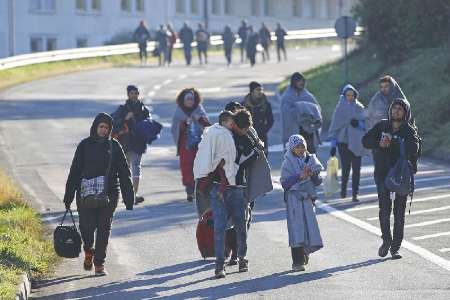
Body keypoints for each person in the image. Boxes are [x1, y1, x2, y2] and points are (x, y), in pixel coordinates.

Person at [63, 113, 134, 276]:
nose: (103, 130)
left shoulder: (114, 146)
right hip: (86, 193)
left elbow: (124, 173)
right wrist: (68, 197)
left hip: (109, 193)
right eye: (101, 127)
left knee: (104, 228)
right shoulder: (84, 145)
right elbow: (74, 172)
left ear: (110, 129)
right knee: (87, 228)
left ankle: (99, 263)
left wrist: (129, 198)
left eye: (106, 128)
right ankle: (88, 250)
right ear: (95, 127)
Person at [194, 110, 250, 279]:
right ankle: (219, 265)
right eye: (231, 122)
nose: (233, 126)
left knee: (240, 226)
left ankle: (241, 258)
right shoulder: (216, 135)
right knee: (220, 228)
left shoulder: (241, 137)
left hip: (236, 187)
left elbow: (248, 158)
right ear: (226, 122)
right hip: (219, 188)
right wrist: (217, 163)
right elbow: (204, 158)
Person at [362, 99, 419, 259]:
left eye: (400, 109)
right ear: (390, 110)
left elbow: (415, 148)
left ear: (405, 112)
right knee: (385, 210)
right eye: (394, 108)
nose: (397, 111)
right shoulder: (382, 125)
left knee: (399, 213)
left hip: (401, 175)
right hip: (382, 174)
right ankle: (386, 240)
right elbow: (365, 140)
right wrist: (379, 142)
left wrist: (394, 142)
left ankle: (395, 248)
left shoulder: (408, 129)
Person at [280, 134, 324, 271]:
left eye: (302, 146)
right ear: (292, 148)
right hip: (294, 199)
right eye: (297, 147)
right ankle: (297, 261)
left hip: (307, 199)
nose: (300, 149)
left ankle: (305, 252)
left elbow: (318, 182)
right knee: (296, 229)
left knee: (309, 227)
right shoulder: (287, 162)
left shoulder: (311, 160)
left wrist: (312, 175)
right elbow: (284, 183)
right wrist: (299, 176)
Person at [328, 84, 368, 202]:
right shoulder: (339, 108)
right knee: (346, 168)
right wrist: (333, 145)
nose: (350, 97)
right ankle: (343, 191)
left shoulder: (359, 108)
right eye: (347, 95)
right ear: (344, 96)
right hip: (343, 142)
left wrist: (359, 124)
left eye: (352, 95)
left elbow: (367, 125)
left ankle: (355, 194)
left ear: (355, 95)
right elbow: (335, 127)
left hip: (357, 142)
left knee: (356, 168)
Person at [112, 85, 150, 205]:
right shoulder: (122, 109)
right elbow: (113, 122)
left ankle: (134, 194)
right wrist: (125, 118)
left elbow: (149, 125)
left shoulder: (144, 109)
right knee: (125, 170)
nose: (134, 95)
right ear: (128, 94)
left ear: (138, 94)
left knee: (136, 167)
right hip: (125, 143)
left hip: (138, 143)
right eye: (132, 93)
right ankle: (126, 194)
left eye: (136, 93)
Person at [171, 88, 210, 202]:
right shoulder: (179, 112)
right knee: (187, 166)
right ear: (183, 100)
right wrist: (183, 124)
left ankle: (199, 188)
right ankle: (189, 189)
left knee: (200, 166)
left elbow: (208, 126)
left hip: (199, 144)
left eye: (191, 99)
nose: (189, 101)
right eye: (187, 99)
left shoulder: (199, 110)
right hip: (185, 145)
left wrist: (200, 119)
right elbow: (174, 128)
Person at [280, 72, 322, 153]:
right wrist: (300, 110)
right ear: (294, 82)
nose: (301, 83)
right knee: (295, 160)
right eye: (298, 81)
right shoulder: (287, 96)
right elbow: (286, 114)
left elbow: (317, 110)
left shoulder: (308, 96)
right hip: (294, 132)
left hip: (308, 132)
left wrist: (309, 116)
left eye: (302, 81)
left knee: (310, 158)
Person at [242, 81, 274, 155]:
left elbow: (270, 120)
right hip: (248, 136)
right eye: (257, 90)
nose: (260, 92)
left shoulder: (266, 104)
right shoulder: (244, 105)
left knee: (263, 157)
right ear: (252, 92)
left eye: (261, 90)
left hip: (262, 136)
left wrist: (264, 130)